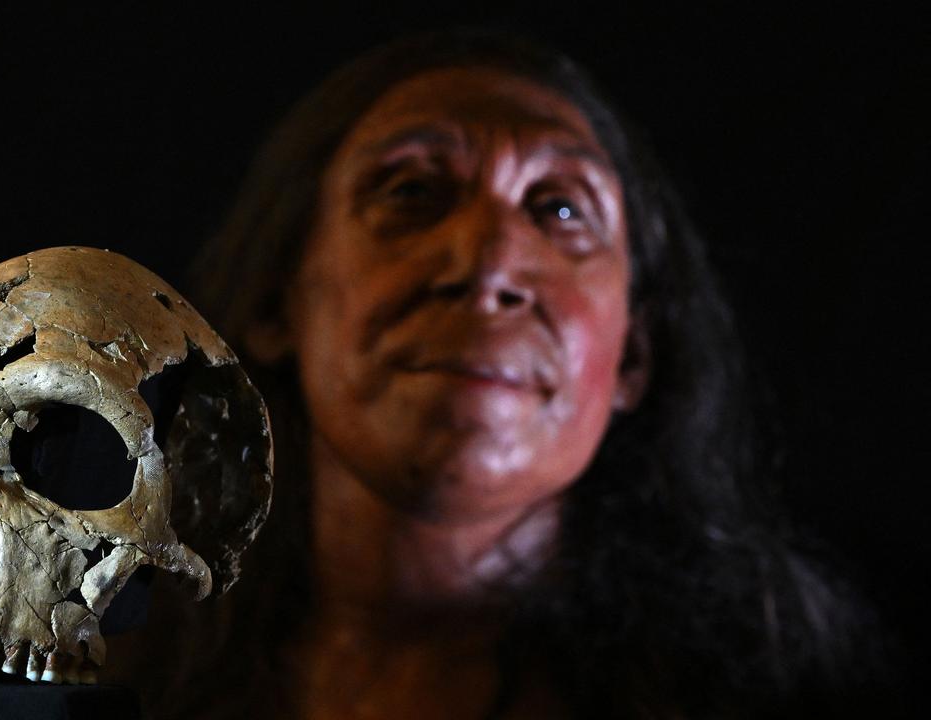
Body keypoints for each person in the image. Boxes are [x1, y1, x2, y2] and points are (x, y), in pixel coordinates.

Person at [111, 29, 896, 719]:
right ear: (279, 303)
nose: (488, 264)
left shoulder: (793, 693)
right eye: (412, 191)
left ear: (631, 357)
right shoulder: (99, 683)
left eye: (560, 209)